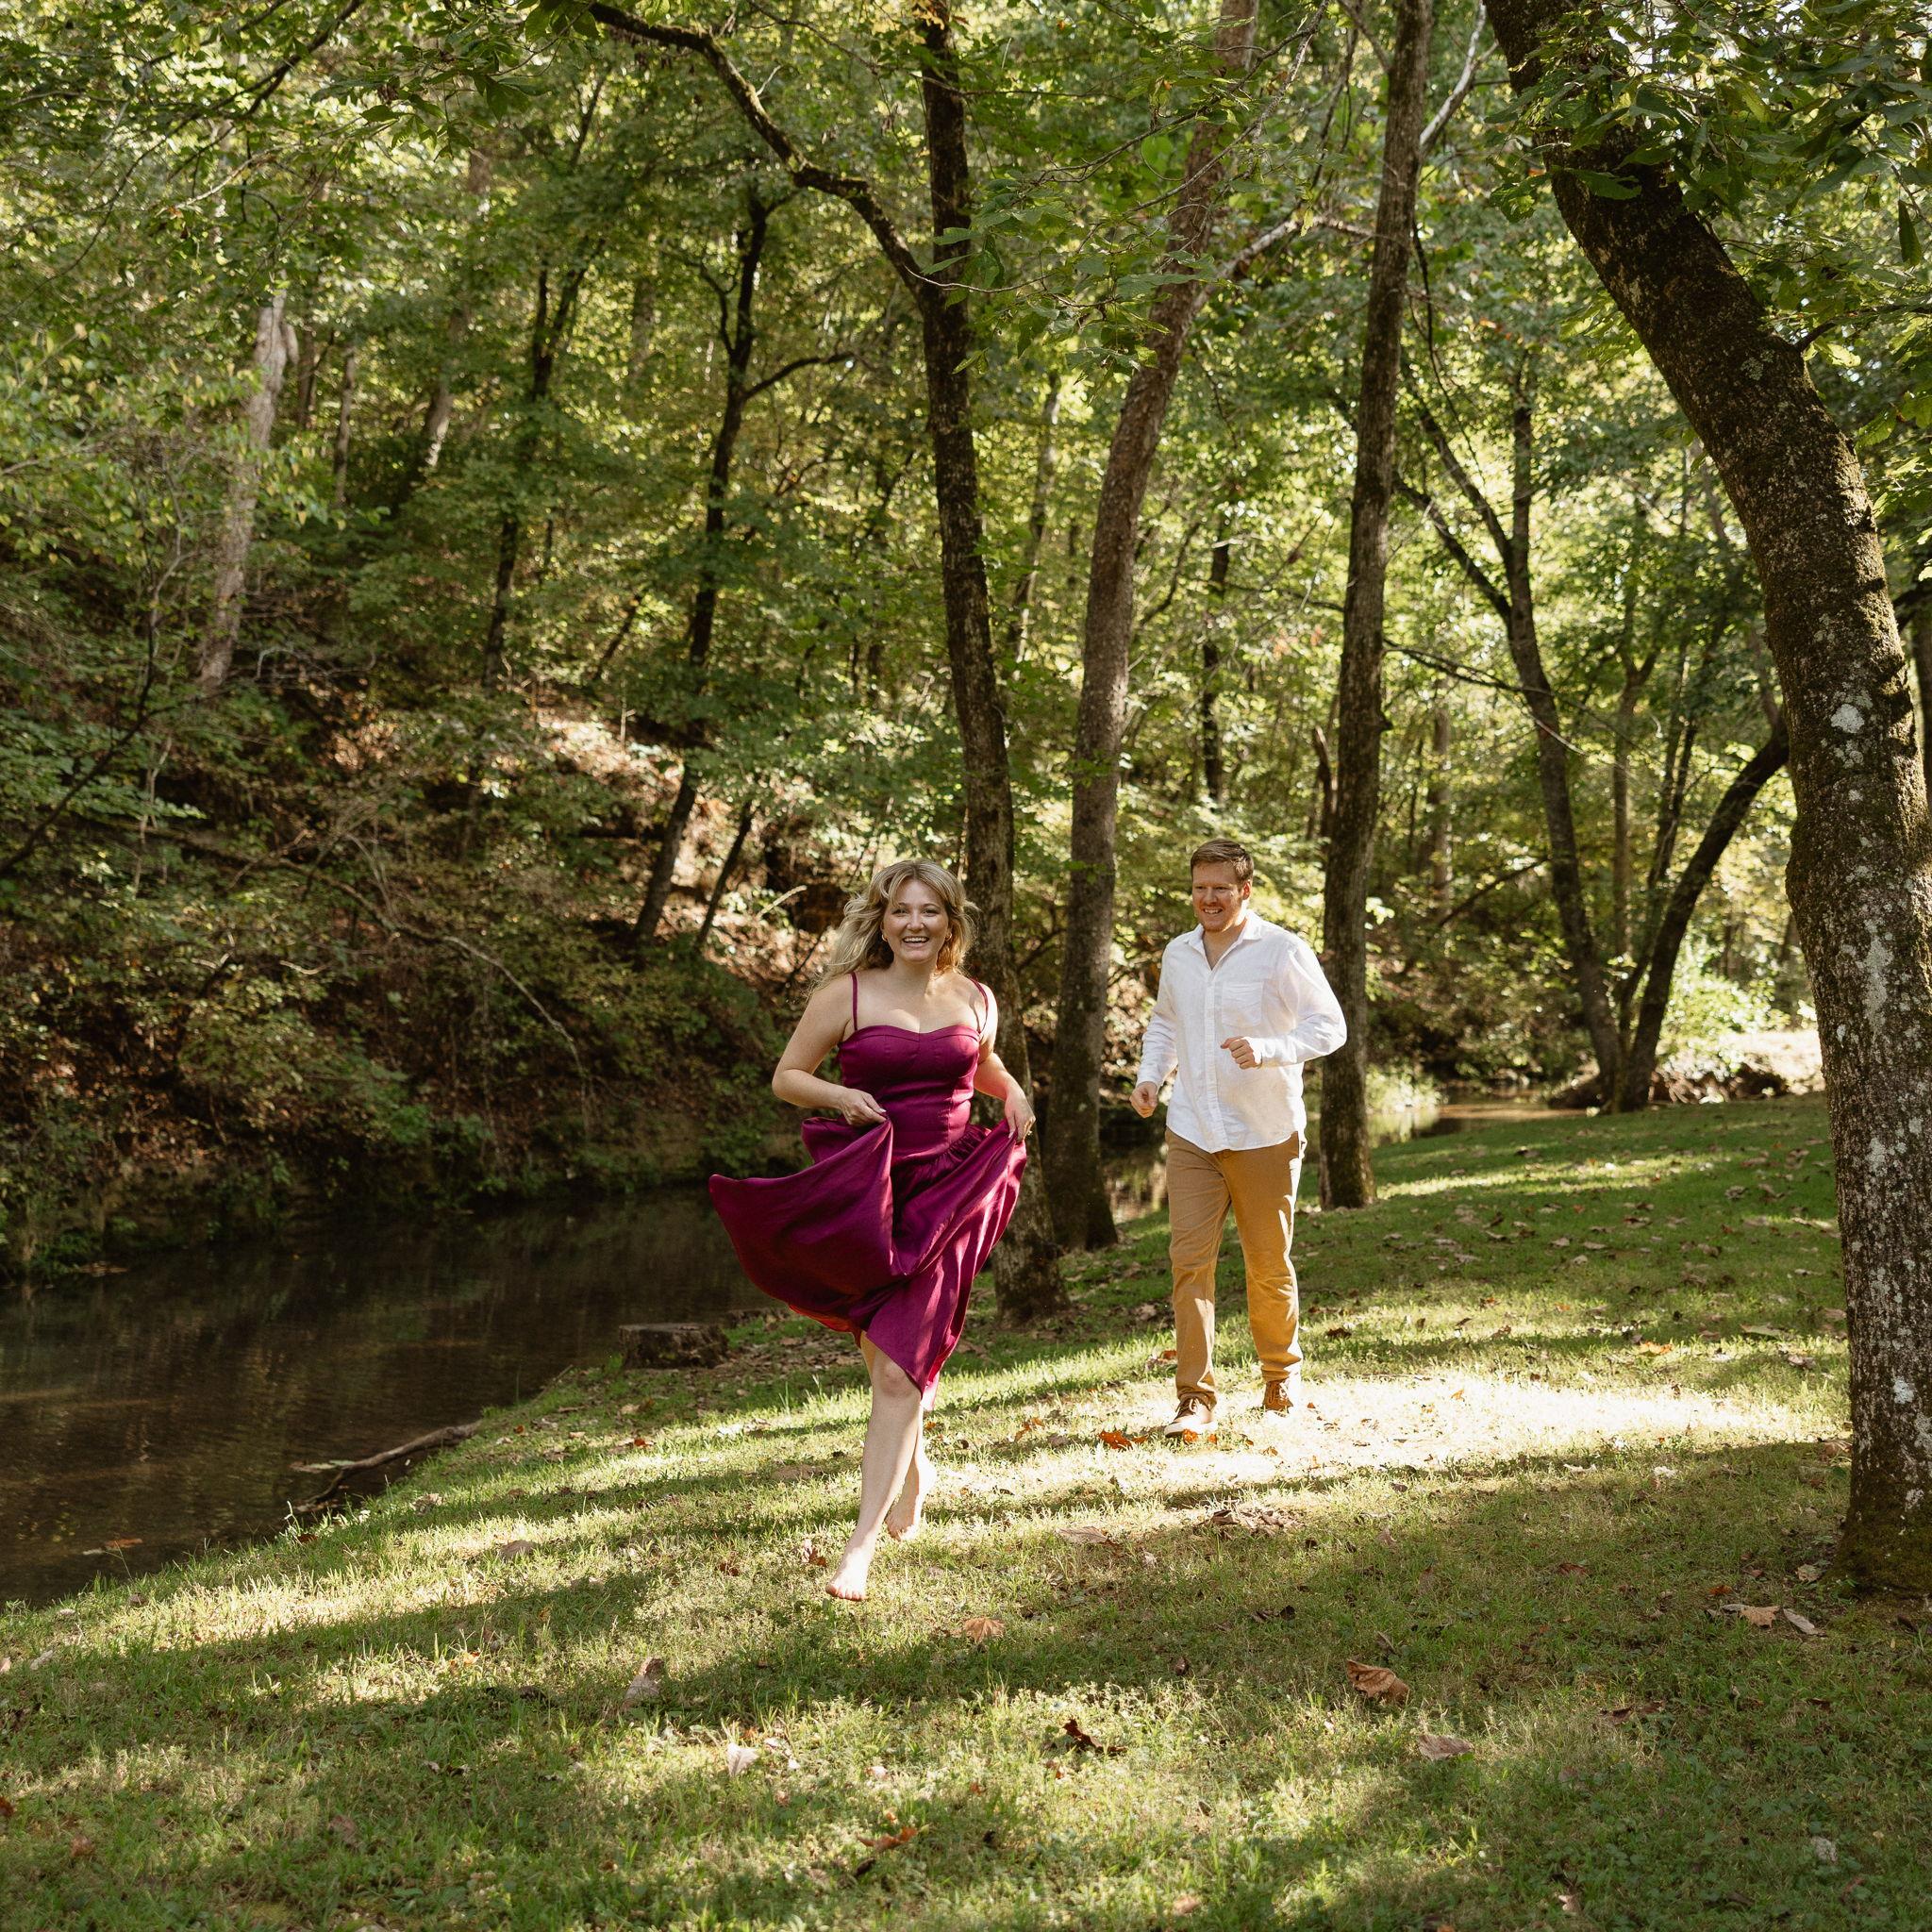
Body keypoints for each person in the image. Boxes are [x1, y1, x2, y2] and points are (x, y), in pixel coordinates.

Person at [709, 858, 1033, 1600]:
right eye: (901, 911)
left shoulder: (976, 997)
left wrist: (1012, 1090)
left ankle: (858, 1552)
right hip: (870, 1191)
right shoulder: (846, 994)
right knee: (883, 1352)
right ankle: (911, 1464)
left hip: (950, 1194)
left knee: (895, 1370)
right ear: (882, 921)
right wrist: (839, 1096)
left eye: (929, 911)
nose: (915, 924)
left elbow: (980, 1064)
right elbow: (787, 1076)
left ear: (951, 922)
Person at [1131, 838, 1345, 1440]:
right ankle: (1194, 1399)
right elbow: (1165, 1022)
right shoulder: (1178, 953)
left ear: (1244, 890)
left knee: (1267, 1264)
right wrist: (1150, 1077)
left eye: (1221, 888)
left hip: (1264, 1132)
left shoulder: (1282, 950)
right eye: (1200, 888)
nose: (1209, 899)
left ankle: (1281, 1376)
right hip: (1192, 1128)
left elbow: (1330, 1026)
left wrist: (1270, 1049)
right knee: (1189, 1264)